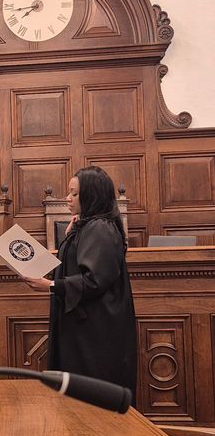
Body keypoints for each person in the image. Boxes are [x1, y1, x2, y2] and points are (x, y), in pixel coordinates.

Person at [21, 166, 137, 400]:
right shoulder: (87, 225)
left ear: (91, 195)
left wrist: (51, 286)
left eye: (74, 193)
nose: (68, 198)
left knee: (92, 392)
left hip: (96, 329)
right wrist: (70, 236)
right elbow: (73, 265)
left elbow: (94, 281)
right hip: (84, 325)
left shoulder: (100, 228)